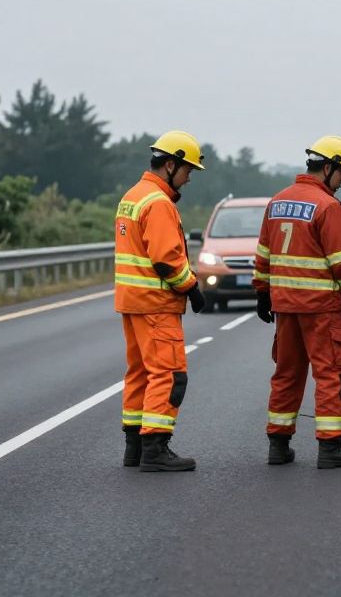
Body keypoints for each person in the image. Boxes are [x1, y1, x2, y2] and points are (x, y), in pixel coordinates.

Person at [253, 135, 341, 469]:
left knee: (286, 374)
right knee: (332, 374)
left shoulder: (276, 202)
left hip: (285, 308)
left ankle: (278, 444)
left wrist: (262, 292)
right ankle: (330, 448)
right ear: (329, 167)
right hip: (320, 310)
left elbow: (263, 254)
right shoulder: (327, 206)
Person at [114, 130, 206, 471]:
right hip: (156, 303)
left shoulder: (132, 196)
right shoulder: (158, 202)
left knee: (140, 373)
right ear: (170, 164)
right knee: (168, 374)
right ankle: (155, 448)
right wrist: (193, 288)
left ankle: (134, 448)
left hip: (133, 302)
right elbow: (166, 259)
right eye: (187, 170)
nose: (189, 178)